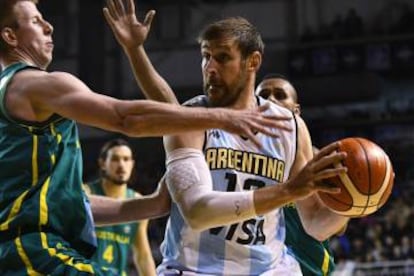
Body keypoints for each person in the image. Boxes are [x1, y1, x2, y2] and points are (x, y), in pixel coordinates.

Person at [0, 0, 291, 274]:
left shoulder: (15, 98)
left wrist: (152, 204)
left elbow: (66, 202)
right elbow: (127, 118)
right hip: (33, 251)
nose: (49, 26)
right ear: (10, 37)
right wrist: (225, 117)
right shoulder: (35, 84)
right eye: (36, 21)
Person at [104, 0, 349, 274]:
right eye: (205, 56)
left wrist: (357, 201)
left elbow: (314, 221)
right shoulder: (189, 119)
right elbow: (197, 213)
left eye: (222, 57)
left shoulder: (291, 128)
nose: (210, 67)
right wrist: (135, 50)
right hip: (195, 269)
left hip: (268, 269)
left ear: (252, 61)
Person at [256, 73, 349, 276]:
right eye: (263, 95)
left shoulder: (317, 160)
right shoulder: (234, 157)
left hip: (308, 267)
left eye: (280, 95)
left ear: (296, 110)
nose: (270, 100)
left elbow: (338, 228)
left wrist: (353, 201)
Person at [85, 138, 156, 276]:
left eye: (126, 159)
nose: (121, 165)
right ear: (102, 163)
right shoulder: (85, 193)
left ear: (132, 164)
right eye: (115, 159)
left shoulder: (138, 202)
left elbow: (142, 255)